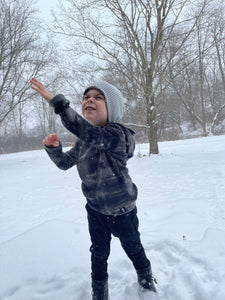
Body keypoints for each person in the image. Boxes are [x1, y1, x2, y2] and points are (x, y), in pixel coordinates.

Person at [30, 78, 157, 300]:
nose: (90, 100)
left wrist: (58, 103)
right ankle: (99, 293)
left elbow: (89, 133)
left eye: (99, 98)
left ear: (113, 109)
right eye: (86, 97)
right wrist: (54, 150)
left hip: (123, 211)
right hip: (96, 211)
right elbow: (64, 163)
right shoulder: (84, 142)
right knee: (98, 255)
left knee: (134, 249)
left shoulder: (119, 134)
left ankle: (146, 280)